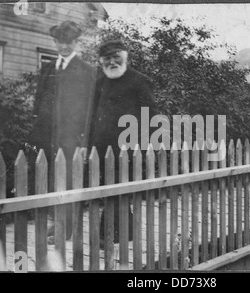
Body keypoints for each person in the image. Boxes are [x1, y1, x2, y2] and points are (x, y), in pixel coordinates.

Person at [30, 20, 97, 241]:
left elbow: (89, 110)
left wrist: (85, 141)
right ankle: (55, 223)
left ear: (76, 42)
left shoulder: (86, 71)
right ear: (55, 42)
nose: (64, 47)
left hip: (71, 138)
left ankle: (65, 229)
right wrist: (35, 132)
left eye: (69, 42)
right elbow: (38, 103)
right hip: (47, 136)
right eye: (60, 42)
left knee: (67, 181)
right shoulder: (48, 68)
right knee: (50, 179)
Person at [89, 40, 156, 243]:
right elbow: (91, 116)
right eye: (107, 58)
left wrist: (144, 149)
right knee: (112, 189)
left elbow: (151, 117)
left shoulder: (139, 81)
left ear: (125, 56)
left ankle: (106, 235)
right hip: (102, 148)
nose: (112, 62)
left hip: (128, 148)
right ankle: (125, 231)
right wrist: (89, 145)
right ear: (101, 61)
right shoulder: (100, 81)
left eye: (116, 56)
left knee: (116, 188)